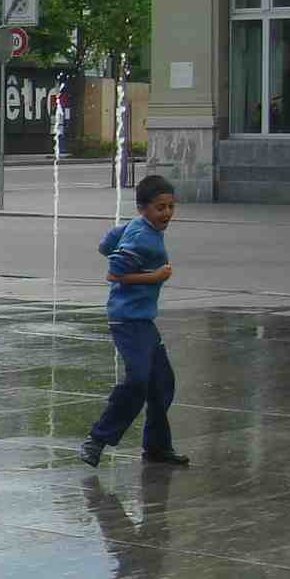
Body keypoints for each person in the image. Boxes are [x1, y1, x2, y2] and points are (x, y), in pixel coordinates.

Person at [79, 174, 190, 468]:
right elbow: (114, 273)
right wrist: (155, 276)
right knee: (139, 380)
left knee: (162, 383)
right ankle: (97, 439)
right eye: (160, 207)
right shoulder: (142, 235)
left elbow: (106, 244)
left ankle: (157, 448)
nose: (167, 213)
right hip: (127, 320)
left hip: (143, 321)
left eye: (170, 206)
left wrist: (130, 244)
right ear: (143, 208)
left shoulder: (138, 226)